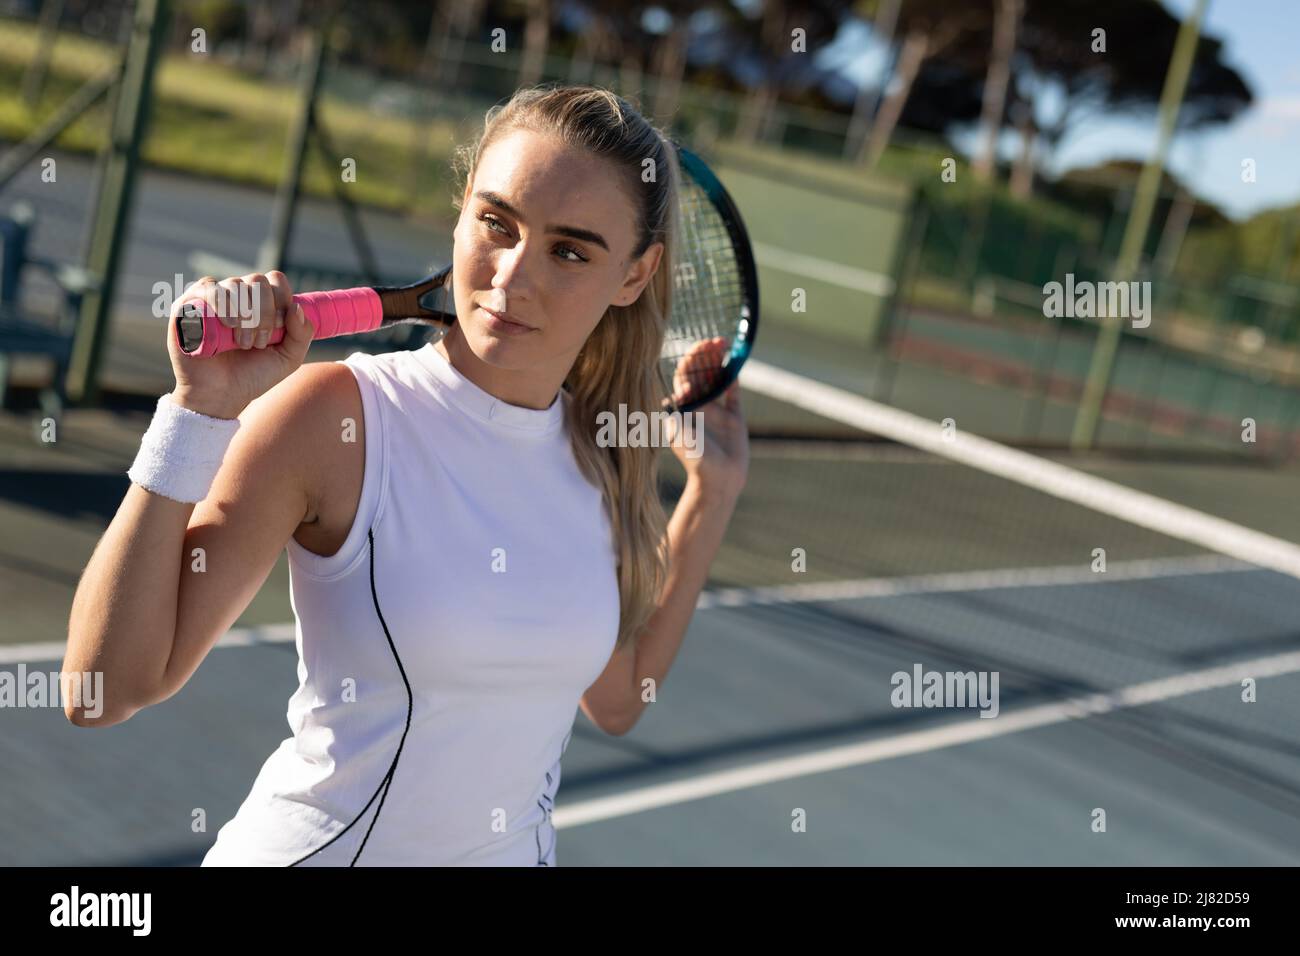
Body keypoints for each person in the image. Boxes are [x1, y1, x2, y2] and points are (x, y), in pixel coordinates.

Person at [63, 85, 749, 866]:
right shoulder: (335, 417)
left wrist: (712, 493)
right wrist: (198, 412)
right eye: (497, 223)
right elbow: (102, 691)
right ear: (462, 211)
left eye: (570, 251)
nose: (512, 277)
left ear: (635, 274)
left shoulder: (599, 456)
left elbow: (619, 699)